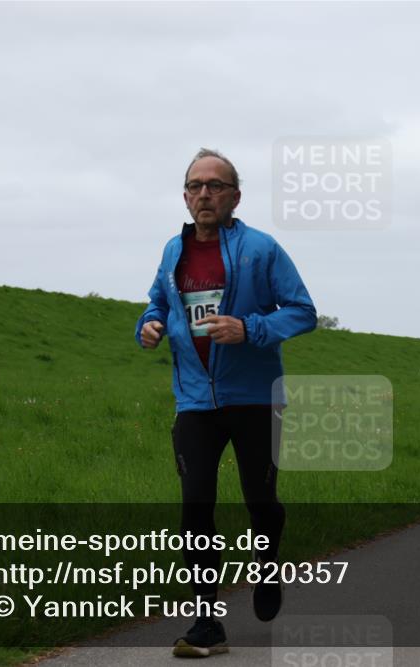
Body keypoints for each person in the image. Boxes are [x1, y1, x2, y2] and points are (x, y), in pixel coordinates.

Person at [136, 148, 317, 657]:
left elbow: (303, 311)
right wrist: (146, 326)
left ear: (235, 196)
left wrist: (251, 327)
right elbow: (157, 301)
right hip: (195, 401)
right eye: (195, 186)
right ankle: (207, 621)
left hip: (255, 399)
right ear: (186, 196)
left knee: (261, 503)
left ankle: (267, 564)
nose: (204, 194)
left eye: (215, 185)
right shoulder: (174, 251)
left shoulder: (261, 248)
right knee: (196, 504)